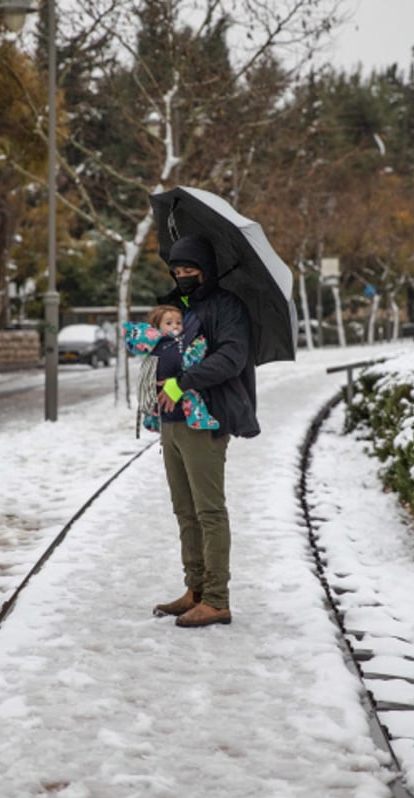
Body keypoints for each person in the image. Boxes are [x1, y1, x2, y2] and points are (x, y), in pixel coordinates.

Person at [150, 233, 259, 628]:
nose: (182, 276)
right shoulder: (174, 308)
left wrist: (185, 381)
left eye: (190, 269)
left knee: (209, 511)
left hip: (207, 417)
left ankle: (217, 599)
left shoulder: (228, 306)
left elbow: (232, 357)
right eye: (177, 270)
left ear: (207, 270)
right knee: (185, 510)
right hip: (172, 420)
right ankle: (195, 589)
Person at [123, 305, 219, 434]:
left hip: (181, 396)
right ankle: (153, 420)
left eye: (179, 322)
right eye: (169, 323)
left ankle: (198, 419)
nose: (175, 326)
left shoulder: (182, 342)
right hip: (164, 400)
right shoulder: (156, 344)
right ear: (156, 326)